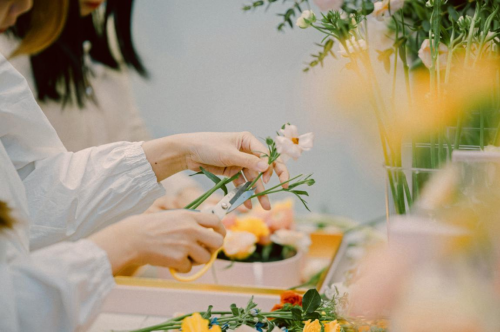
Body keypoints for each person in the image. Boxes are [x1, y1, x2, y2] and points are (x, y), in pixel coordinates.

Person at [0, 1, 289, 331]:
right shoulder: (14, 50)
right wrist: (126, 242)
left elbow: (34, 190)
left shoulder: (97, 43)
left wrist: (183, 154)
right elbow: (12, 302)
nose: (24, 5)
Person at [1, 0, 211, 217]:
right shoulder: (8, 57)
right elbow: (37, 188)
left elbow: (132, 136)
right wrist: (119, 211)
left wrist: (188, 194)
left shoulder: (101, 33)